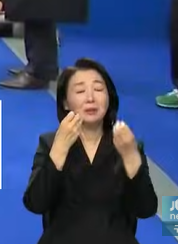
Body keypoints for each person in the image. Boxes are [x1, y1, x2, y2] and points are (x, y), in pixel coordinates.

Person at [23, 58, 157, 244]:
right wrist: (59, 150)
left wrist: (131, 158)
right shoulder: (50, 143)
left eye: (99, 89)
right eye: (80, 91)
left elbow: (146, 209)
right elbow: (35, 204)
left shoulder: (126, 143)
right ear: (65, 102)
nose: (90, 98)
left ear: (109, 98)